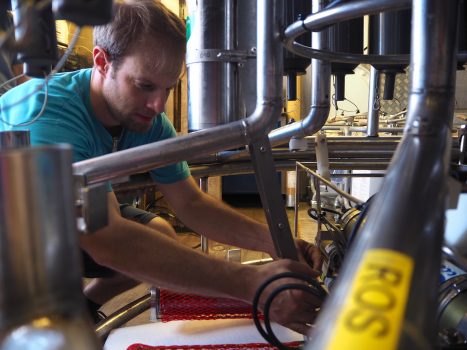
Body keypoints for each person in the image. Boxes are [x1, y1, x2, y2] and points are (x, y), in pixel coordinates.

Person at [0, 0, 322, 335]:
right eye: (145, 86)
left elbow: (191, 203)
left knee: (158, 235)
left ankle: (84, 307)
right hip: (14, 226)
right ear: (102, 62)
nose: (158, 105)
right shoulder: (49, 115)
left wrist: (270, 240)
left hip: (63, 217)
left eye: (168, 87)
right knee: (36, 300)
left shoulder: (146, 117)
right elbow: (107, 239)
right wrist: (251, 285)